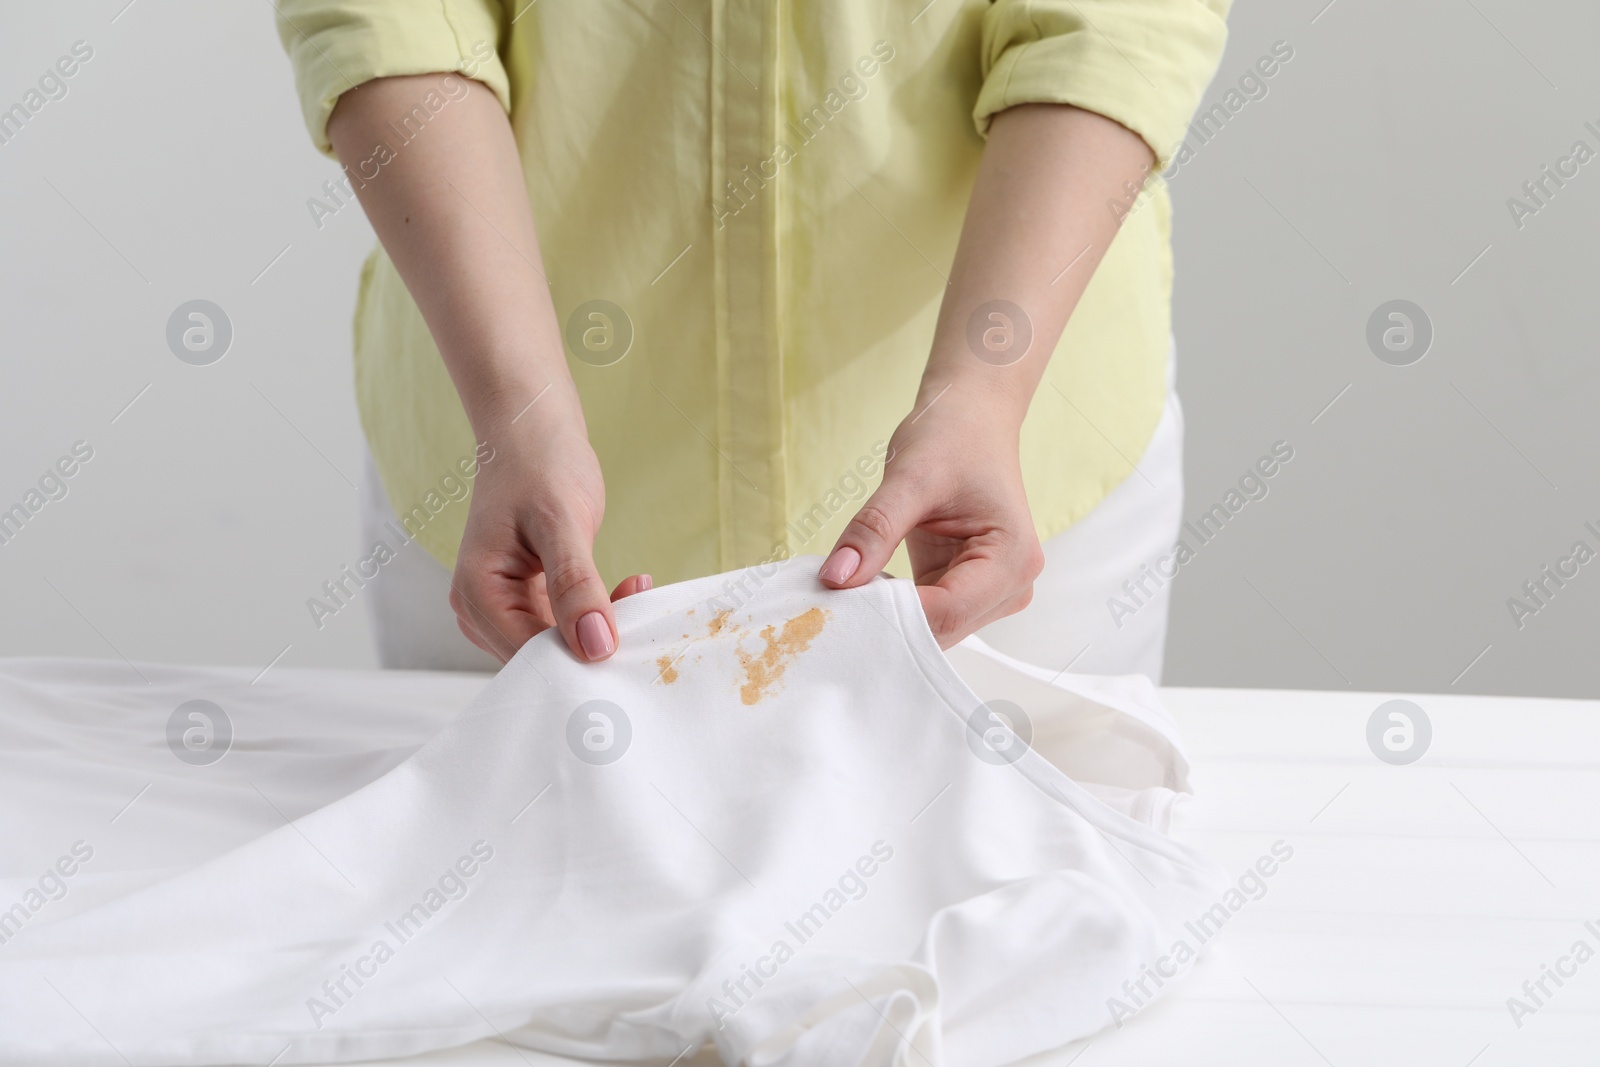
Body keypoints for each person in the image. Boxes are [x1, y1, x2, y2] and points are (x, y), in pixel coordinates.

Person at [276, 1, 1230, 678]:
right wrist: (515, 404)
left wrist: (983, 392)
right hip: (509, 500)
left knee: (1031, 944)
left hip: (1008, 480)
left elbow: (1120, 20)